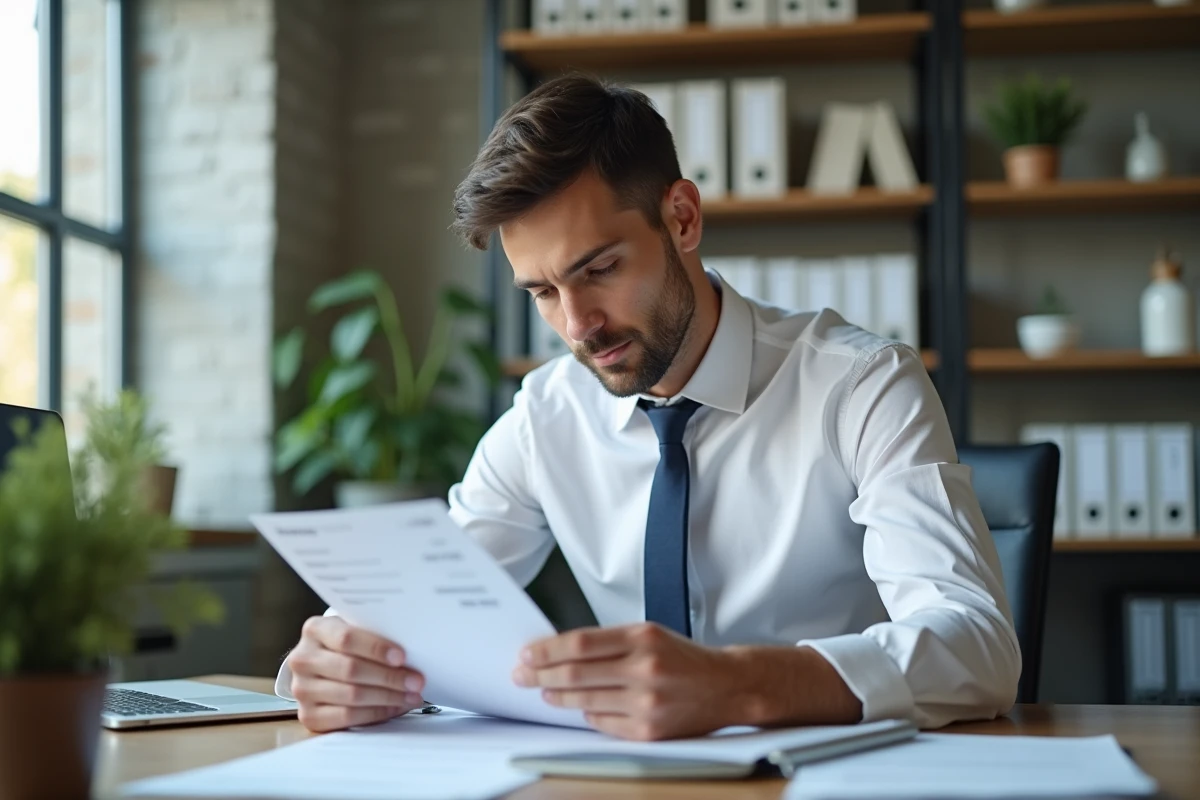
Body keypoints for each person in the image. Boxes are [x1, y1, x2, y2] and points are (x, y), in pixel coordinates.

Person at [276, 73, 1020, 741]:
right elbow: (425, 606)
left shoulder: (862, 386)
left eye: (599, 269)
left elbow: (977, 647)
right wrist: (340, 659)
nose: (576, 325)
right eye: (541, 291)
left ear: (683, 219)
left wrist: (739, 687)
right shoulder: (546, 417)